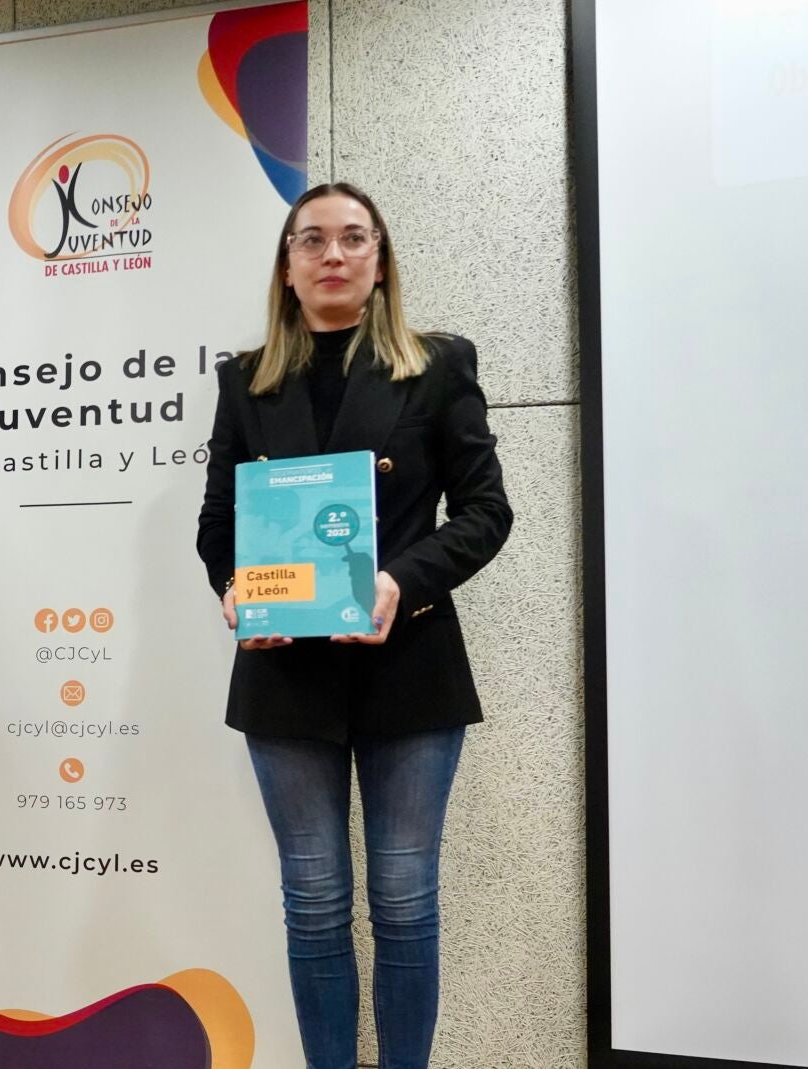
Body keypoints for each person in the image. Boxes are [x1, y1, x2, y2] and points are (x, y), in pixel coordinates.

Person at [196, 182, 512, 1069]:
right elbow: (218, 523)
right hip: (284, 672)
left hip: (409, 665)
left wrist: (399, 581)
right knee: (314, 905)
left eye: (352, 239)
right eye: (312, 240)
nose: (332, 254)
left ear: (379, 261)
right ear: (287, 266)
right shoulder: (245, 381)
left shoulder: (439, 365)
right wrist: (235, 589)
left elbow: (486, 511)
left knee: (405, 902)